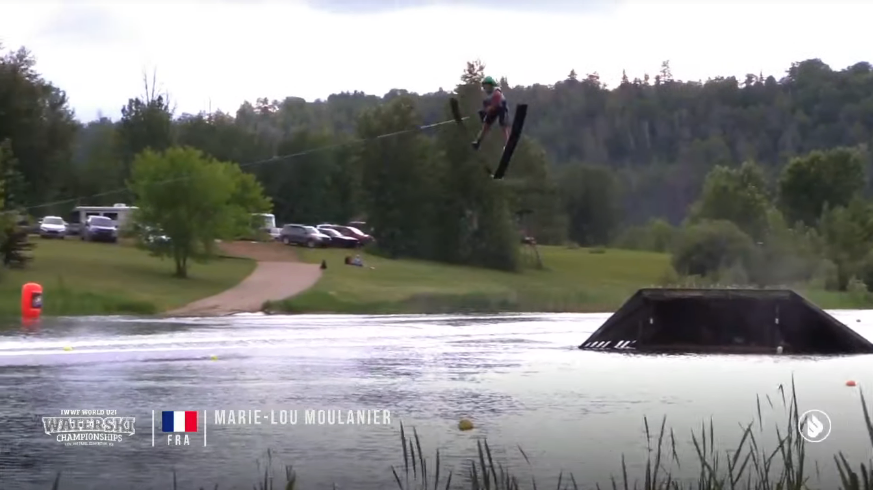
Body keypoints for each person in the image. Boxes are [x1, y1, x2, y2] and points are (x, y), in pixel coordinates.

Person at [471, 76, 511, 151]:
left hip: (501, 107)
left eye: (486, 86)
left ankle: (507, 144)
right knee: (486, 125)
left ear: (490, 85)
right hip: (494, 109)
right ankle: (478, 141)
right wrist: (483, 112)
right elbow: (487, 105)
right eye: (484, 86)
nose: (484, 88)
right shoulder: (488, 95)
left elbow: (495, 104)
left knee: (503, 125)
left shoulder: (496, 92)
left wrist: (486, 110)